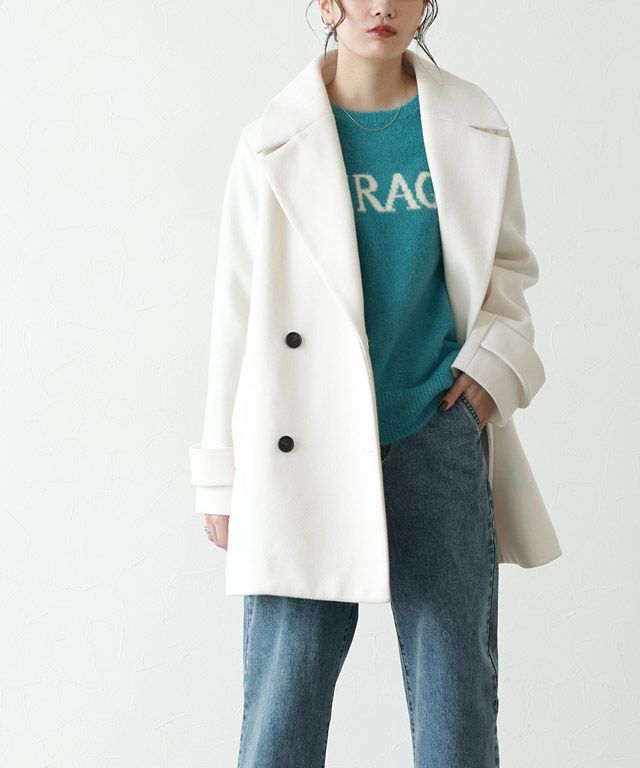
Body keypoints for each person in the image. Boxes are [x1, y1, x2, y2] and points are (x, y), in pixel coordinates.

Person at [191, 1, 563, 766]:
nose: (382, 7)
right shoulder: (271, 140)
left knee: (457, 701)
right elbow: (236, 313)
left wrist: (490, 370)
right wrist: (221, 477)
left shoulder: (472, 123)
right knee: (284, 703)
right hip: (305, 446)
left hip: (436, 430)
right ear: (326, 5)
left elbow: (508, 268)